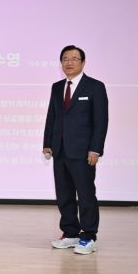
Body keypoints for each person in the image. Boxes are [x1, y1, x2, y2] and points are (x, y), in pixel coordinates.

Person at [43, 45, 108, 255]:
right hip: (60, 151)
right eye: (65, 59)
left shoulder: (95, 87)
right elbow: (52, 117)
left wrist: (95, 149)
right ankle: (70, 233)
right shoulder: (56, 87)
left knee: (86, 195)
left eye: (74, 58)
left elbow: (101, 121)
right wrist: (47, 143)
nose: (69, 62)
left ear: (83, 63)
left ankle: (88, 236)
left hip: (83, 152)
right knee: (64, 195)